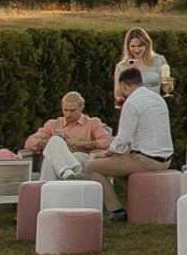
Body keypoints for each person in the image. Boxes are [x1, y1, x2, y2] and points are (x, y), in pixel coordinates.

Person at [87, 70, 173, 215]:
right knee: (116, 165)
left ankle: (116, 211)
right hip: (165, 158)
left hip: (147, 159)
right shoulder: (157, 98)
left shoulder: (132, 102)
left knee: (93, 167)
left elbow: (123, 137)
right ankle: (145, 199)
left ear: (124, 86)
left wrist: (107, 153)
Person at [25, 91, 110, 181]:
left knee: (52, 157)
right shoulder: (54, 124)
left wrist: (81, 143)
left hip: (81, 160)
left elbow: (107, 142)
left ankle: (45, 188)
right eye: (65, 110)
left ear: (81, 107)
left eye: (72, 110)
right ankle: (66, 172)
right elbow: (29, 142)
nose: (68, 114)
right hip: (61, 163)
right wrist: (46, 143)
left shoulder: (92, 123)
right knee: (54, 142)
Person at [113, 27, 170, 111]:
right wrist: (128, 75)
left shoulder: (159, 60)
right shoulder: (122, 66)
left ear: (147, 44)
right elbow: (118, 94)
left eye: (140, 46)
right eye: (133, 46)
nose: (136, 50)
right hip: (134, 108)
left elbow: (166, 88)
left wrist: (168, 83)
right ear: (128, 46)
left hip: (155, 107)